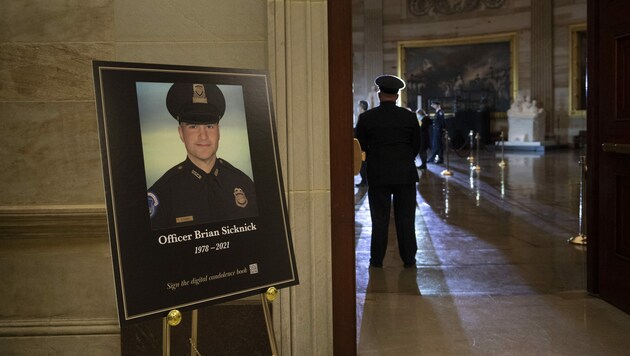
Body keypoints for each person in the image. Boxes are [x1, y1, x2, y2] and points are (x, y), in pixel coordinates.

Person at [147, 83, 258, 229]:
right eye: (193, 127)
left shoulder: (245, 184)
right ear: (181, 133)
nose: (203, 136)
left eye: (209, 126)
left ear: (219, 132)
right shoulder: (162, 193)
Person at [355, 75, 420, 268]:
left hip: (378, 175)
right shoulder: (409, 117)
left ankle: (376, 260)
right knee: (406, 218)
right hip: (405, 175)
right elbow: (416, 145)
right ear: (397, 96)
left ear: (379, 94)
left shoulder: (366, 118)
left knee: (379, 219)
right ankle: (409, 259)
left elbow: (361, 146)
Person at [355, 100, 369, 187]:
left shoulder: (362, 116)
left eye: (359, 106)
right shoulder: (365, 116)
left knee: (362, 163)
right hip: (364, 142)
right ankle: (364, 180)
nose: (358, 108)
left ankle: (364, 180)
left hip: (362, 143)